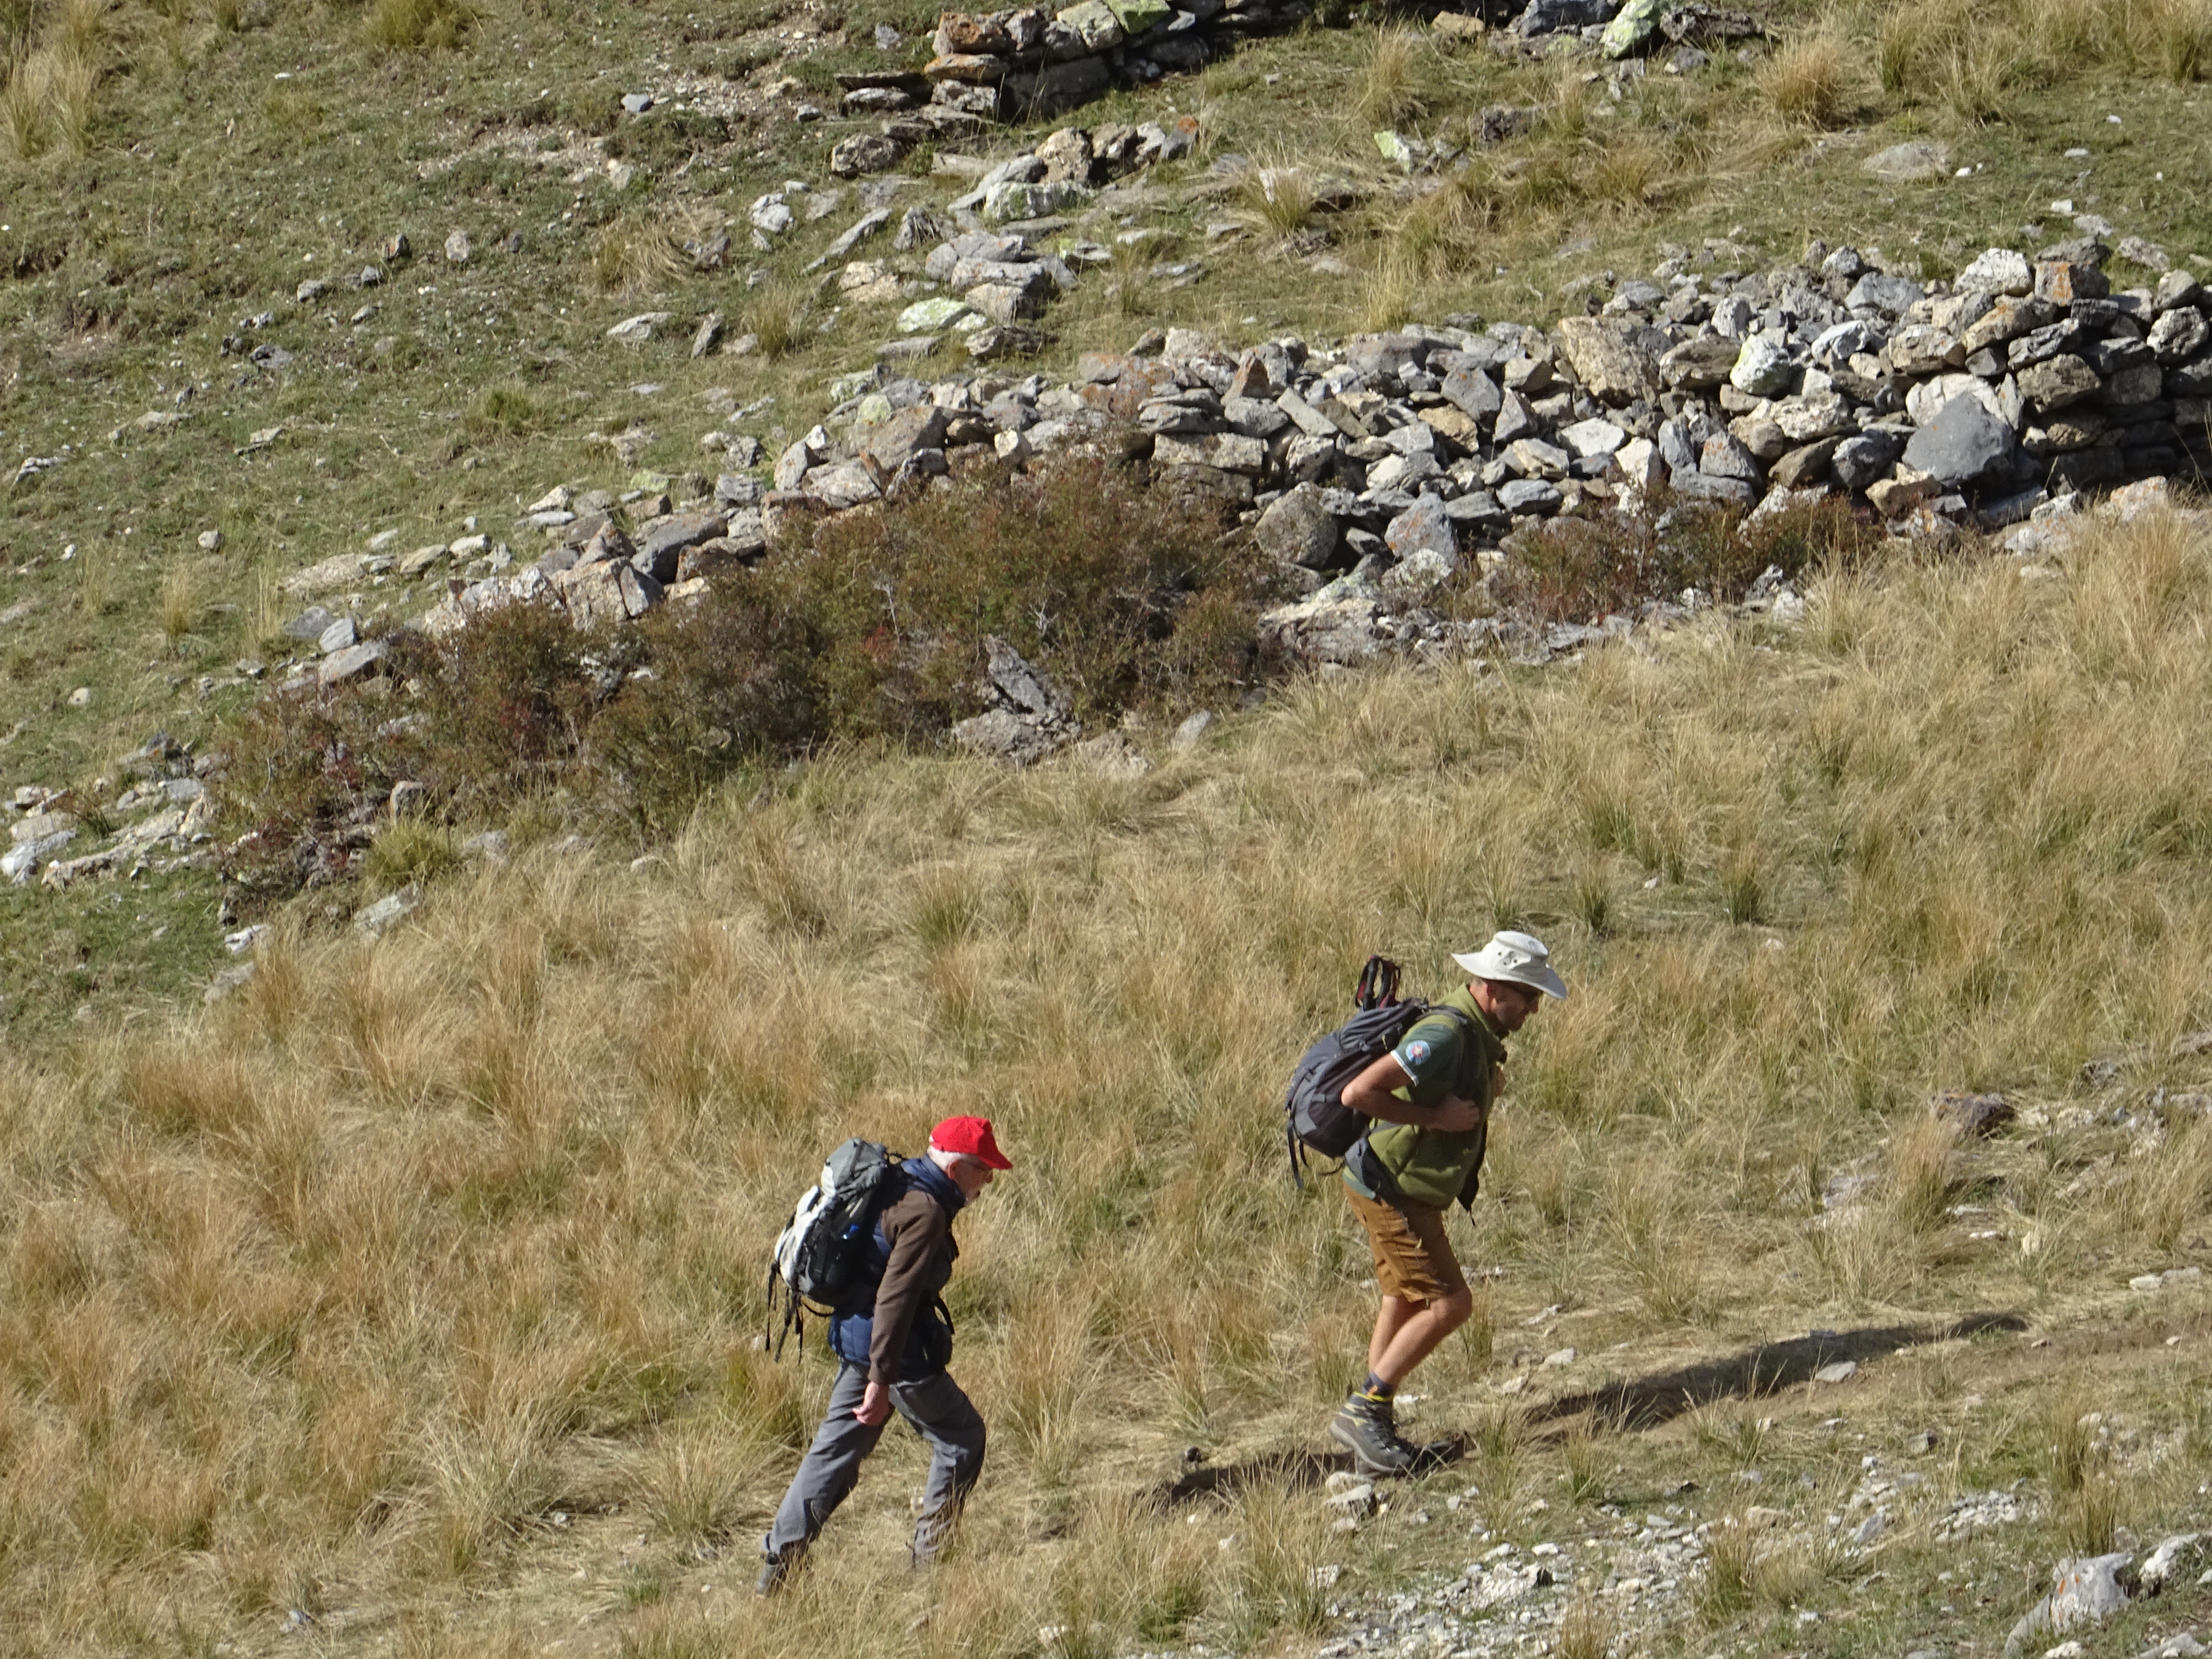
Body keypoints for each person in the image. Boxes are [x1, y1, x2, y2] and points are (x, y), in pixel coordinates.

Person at [1327, 931, 1566, 1475]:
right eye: (1529, 995)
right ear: (1494, 987)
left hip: (1402, 1187)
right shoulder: (1445, 1034)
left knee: (1404, 1299)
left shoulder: (1475, 1034)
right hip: (1391, 1186)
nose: (1534, 1009)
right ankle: (1365, 1411)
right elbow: (1358, 1093)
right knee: (1451, 1304)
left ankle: (1374, 1438)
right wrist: (1435, 1119)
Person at [757, 1116, 1013, 1593]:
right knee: (962, 1437)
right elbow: (896, 1298)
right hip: (892, 1353)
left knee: (833, 1453)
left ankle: (778, 1568)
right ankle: (933, 1565)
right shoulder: (926, 1212)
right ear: (956, 1168)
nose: (989, 1181)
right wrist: (881, 1381)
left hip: (855, 1334)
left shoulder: (900, 1178)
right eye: (984, 1170)